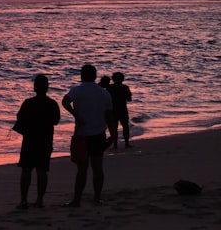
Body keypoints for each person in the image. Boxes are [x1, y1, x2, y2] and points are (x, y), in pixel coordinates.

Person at [61, 64, 115, 206]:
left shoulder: (77, 90)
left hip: (82, 135)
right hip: (98, 134)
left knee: (81, 169)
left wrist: (76, 115)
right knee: (98, 167)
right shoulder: (104, 93)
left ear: (81, 76)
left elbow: (65, 102)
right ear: (95, 76)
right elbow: (109, 116)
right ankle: (97, 199)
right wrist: (114, 134)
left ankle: (77, 200)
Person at [13, 73, 61, 209]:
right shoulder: (52, 104)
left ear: (35, 88)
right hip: (45, 141)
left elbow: (19, 119)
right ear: (47, 88)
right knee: (42, 171)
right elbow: (56, 121)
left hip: (29, 140)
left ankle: (23, 201)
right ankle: (39, 200)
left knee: (26, 170)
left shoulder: (28, 103)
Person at [106, 72, 133, 148]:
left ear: (113, 79)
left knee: (114, 127)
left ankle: (115, 144)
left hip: (113, 110)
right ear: (122, 79)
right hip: (122, 109)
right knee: (125, 126)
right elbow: (129, 99)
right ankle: (126, 143)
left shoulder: (109, 87)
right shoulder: (125, 87)